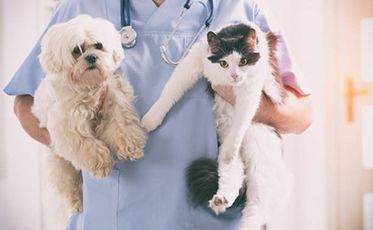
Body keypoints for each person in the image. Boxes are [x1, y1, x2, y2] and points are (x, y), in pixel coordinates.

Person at [4, 0, 312, 229]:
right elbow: (24, 104)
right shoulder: (83, 6)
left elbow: (302, 115)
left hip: (214, 215)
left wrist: (246, 100)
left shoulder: (238, 7)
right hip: (114, 217)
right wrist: (74, 142)